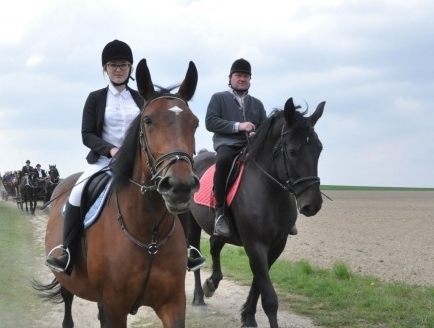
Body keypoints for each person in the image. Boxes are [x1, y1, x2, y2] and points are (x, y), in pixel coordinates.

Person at [46, 39, 205, 274]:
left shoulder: (143, 99)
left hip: (138, 164)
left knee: (175, 192)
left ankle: (188, 248)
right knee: (77, 192)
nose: (118, 69)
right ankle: (67, 251)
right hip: (104, 162)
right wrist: (110, 150)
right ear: (105, 69)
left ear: (130, 68)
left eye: (123, 65)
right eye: (112, 65)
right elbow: (87, 134)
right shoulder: (95, 98)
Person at [205, 58, 270, 238]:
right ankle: (220, 212)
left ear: (250, 80)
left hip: (251, 146)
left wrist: (257, 133)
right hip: (227, 144)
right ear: (230, 77)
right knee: (224, 162)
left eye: (246, 76)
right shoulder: (218, 98)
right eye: (239, 75)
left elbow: (264, 126)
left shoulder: (257, 104)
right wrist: (238, 126)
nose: (242, 79)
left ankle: (283, 213)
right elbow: (210, 122)